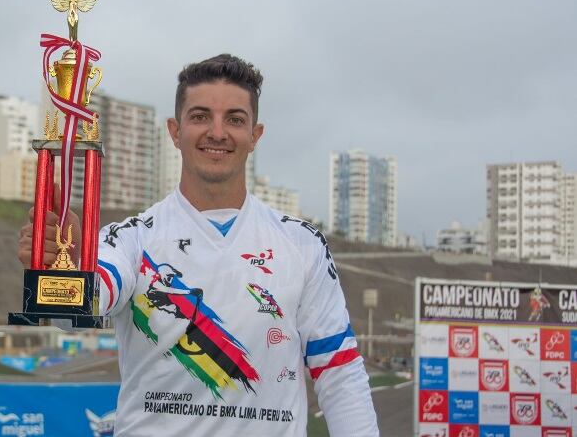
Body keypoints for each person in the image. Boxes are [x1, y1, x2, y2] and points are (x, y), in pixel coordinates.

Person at [19, 54, 379, 436]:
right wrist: (67, 268)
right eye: (200, 116)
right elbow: (75, 315)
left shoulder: (301, 243)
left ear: (255, 135)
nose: (217, 132)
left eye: (235, 119)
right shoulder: (132, 238)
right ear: (175, 131)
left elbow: (339, 372)